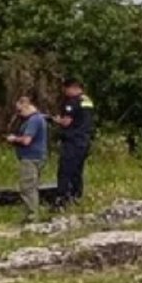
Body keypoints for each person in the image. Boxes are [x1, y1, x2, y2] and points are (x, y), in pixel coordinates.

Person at [52, 78, 95, 209]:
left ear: (71, 88)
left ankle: (62, 199)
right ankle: (77, 196)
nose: (65, 93)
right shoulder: (87, 100)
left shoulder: (72, 102)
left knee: (65, 170)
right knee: (77, 171)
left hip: (72, 140)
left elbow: (67, 122)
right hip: (85, 140)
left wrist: (56, 120)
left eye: (65, 89)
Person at [7, 95, 48, 224]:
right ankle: (32, 214)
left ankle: (32, 217)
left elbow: (26, 140)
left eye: (20, 110)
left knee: (27, 188)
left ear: (26, 105)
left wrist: (14, 139)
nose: (18, 114)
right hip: (35, 156)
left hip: (31, 158)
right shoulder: (36, 119)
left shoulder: (34, 120)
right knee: (32, 186)